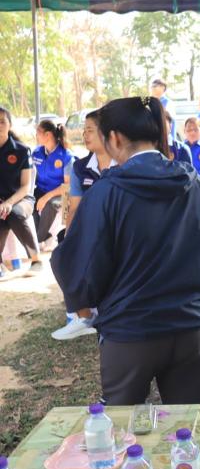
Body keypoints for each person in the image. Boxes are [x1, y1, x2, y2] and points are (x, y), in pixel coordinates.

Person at [51, 96, 200, 405]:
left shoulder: (106, 192)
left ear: (114, 138)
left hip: (129, 332)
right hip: (193, 329)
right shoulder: (196, 186)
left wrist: (84, 307)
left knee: (124, 428)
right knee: (192, 425)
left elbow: (82, 264)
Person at [51, 109, 115, 341]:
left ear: (108, 133)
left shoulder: (123, 163)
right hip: (90, 230)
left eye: (90, 130)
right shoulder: (81, 167)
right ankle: (84, 316)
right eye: (83, 130)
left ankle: (106, 316)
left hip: (118, 229)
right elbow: (75, 208)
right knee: (61, 255)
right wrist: (70, 237)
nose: (84, 135)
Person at [0, 106, 42, 277]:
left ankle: (36, 260)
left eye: (2, 121)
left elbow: (26, 186)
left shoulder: (22, 150)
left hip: (22, 199)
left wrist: (8, 203)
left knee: (13, 214)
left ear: (10, 125)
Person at [32, 120, 74, 249]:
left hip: (61, 193)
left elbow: (68, 186)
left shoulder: (66, 156)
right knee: (30, 201)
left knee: (50, 204)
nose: (36, 135)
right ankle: (44, 237)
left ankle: (38, 240)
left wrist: (46, 197)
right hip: (41, 189)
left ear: (48, 135)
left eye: (38, 132)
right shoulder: (37, 152)